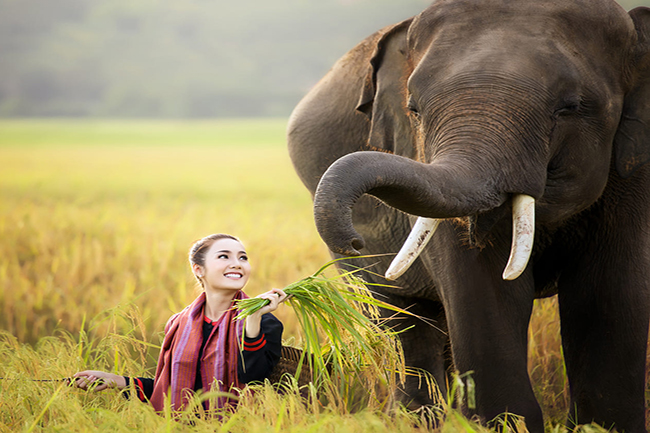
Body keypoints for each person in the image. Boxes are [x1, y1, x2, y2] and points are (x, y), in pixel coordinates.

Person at [74, 233, 287, 412]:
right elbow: (166, 390)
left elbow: (254, 378)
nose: (236, 264)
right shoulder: (179, 324)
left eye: (243, 258)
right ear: (198, 269)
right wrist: (114, 380)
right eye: (224, 256)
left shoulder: (265, 322)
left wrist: (252, 319)